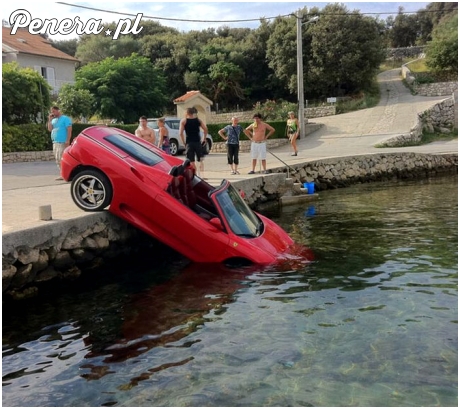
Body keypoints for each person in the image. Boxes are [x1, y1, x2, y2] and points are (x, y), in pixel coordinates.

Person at [179, 107, 208, 174]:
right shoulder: (198, 120)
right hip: (197, 141)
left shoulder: (184, 121)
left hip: (189, 142)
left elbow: (180, 133)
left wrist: (183, 142)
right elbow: (205, 129)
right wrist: (204, 138)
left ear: (187, 113)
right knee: (200, 159)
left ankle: (194, 174)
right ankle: (202, 174)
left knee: (191, 160)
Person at [47, 106, 72, 180]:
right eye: (52, 111)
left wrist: (67, 140)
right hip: (55, 142)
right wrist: (49, 120)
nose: (53, 113)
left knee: (62, 158)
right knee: (57, 159)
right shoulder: (54, 120)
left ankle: (66, 174)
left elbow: (69, 130)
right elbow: (50, 129)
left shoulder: (65, 119)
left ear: (58, 110)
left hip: (62, 142)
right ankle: (62, 174)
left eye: (54, 111)